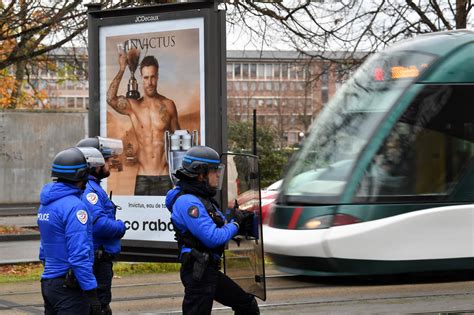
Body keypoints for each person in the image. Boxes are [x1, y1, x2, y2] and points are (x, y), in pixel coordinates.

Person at [165, 146, 260, 315]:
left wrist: (237, 220)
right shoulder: (188, 202)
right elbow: (212, 237)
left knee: (247, 305)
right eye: (214, 170)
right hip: (198, 272)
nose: (218, 175)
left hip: (208, 270)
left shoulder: (203, 198)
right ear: (200, 173)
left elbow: (221, 225)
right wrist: (236, 225)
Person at [38, 147, 105, 314]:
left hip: (49, 284)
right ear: (81, 175)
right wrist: (91, 292)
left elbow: (43, 251)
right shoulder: (76, 207)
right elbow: (79, 254)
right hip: (69, 288)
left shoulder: (46, 204)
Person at [107, 52, 180, 196]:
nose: (149, 82)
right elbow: (110, 99)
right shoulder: (134, 107)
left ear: (157, 77)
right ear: (141, 78)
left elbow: (179, 144)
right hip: (143, 178)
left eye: (153, 77)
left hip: (165, 176)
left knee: (167, 219)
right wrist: (122, 69)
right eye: (146, 78)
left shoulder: (169, 105)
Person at [77, 136, 127, 314]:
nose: (109, 164)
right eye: (106, 160)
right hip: (98, 259)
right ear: (95, 164)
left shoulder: (92, 186)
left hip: (99, 257)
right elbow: (98, 225)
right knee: (100, 307)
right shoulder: (91, 190)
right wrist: (121, 227)